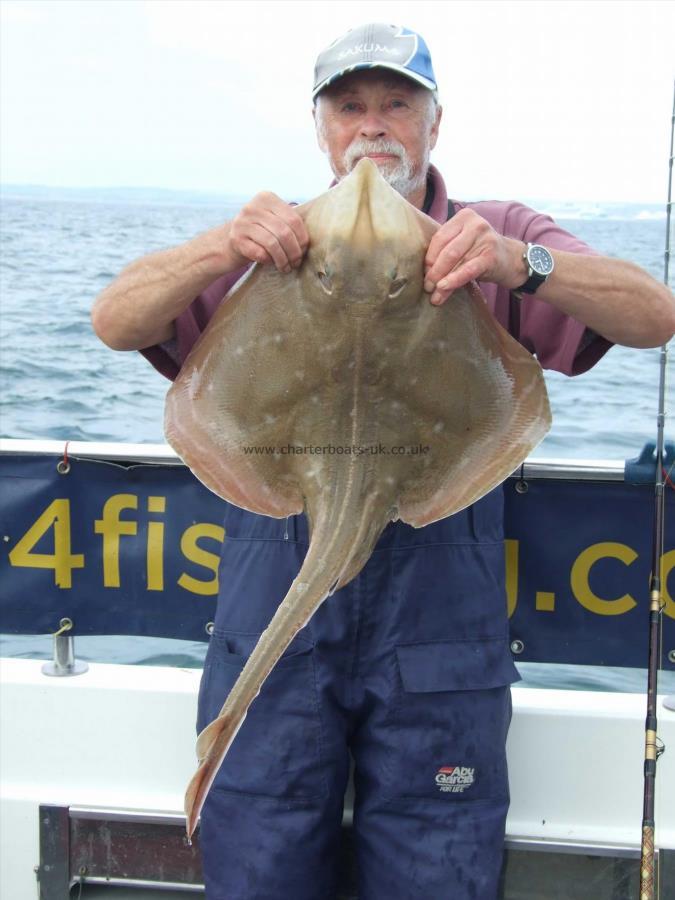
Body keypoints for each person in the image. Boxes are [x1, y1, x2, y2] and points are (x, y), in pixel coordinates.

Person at [92, 22, 675, 900]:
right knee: (260, 874)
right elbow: (115, 320)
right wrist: (223, 246)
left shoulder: (489, 235)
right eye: (350, 107)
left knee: (434, 875)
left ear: (434, 123)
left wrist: (519, 264)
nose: (373, 127)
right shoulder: (272, 242)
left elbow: (652, 313)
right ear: (321, 129)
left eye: (396, 104)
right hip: (279, 608)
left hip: (436, 631)